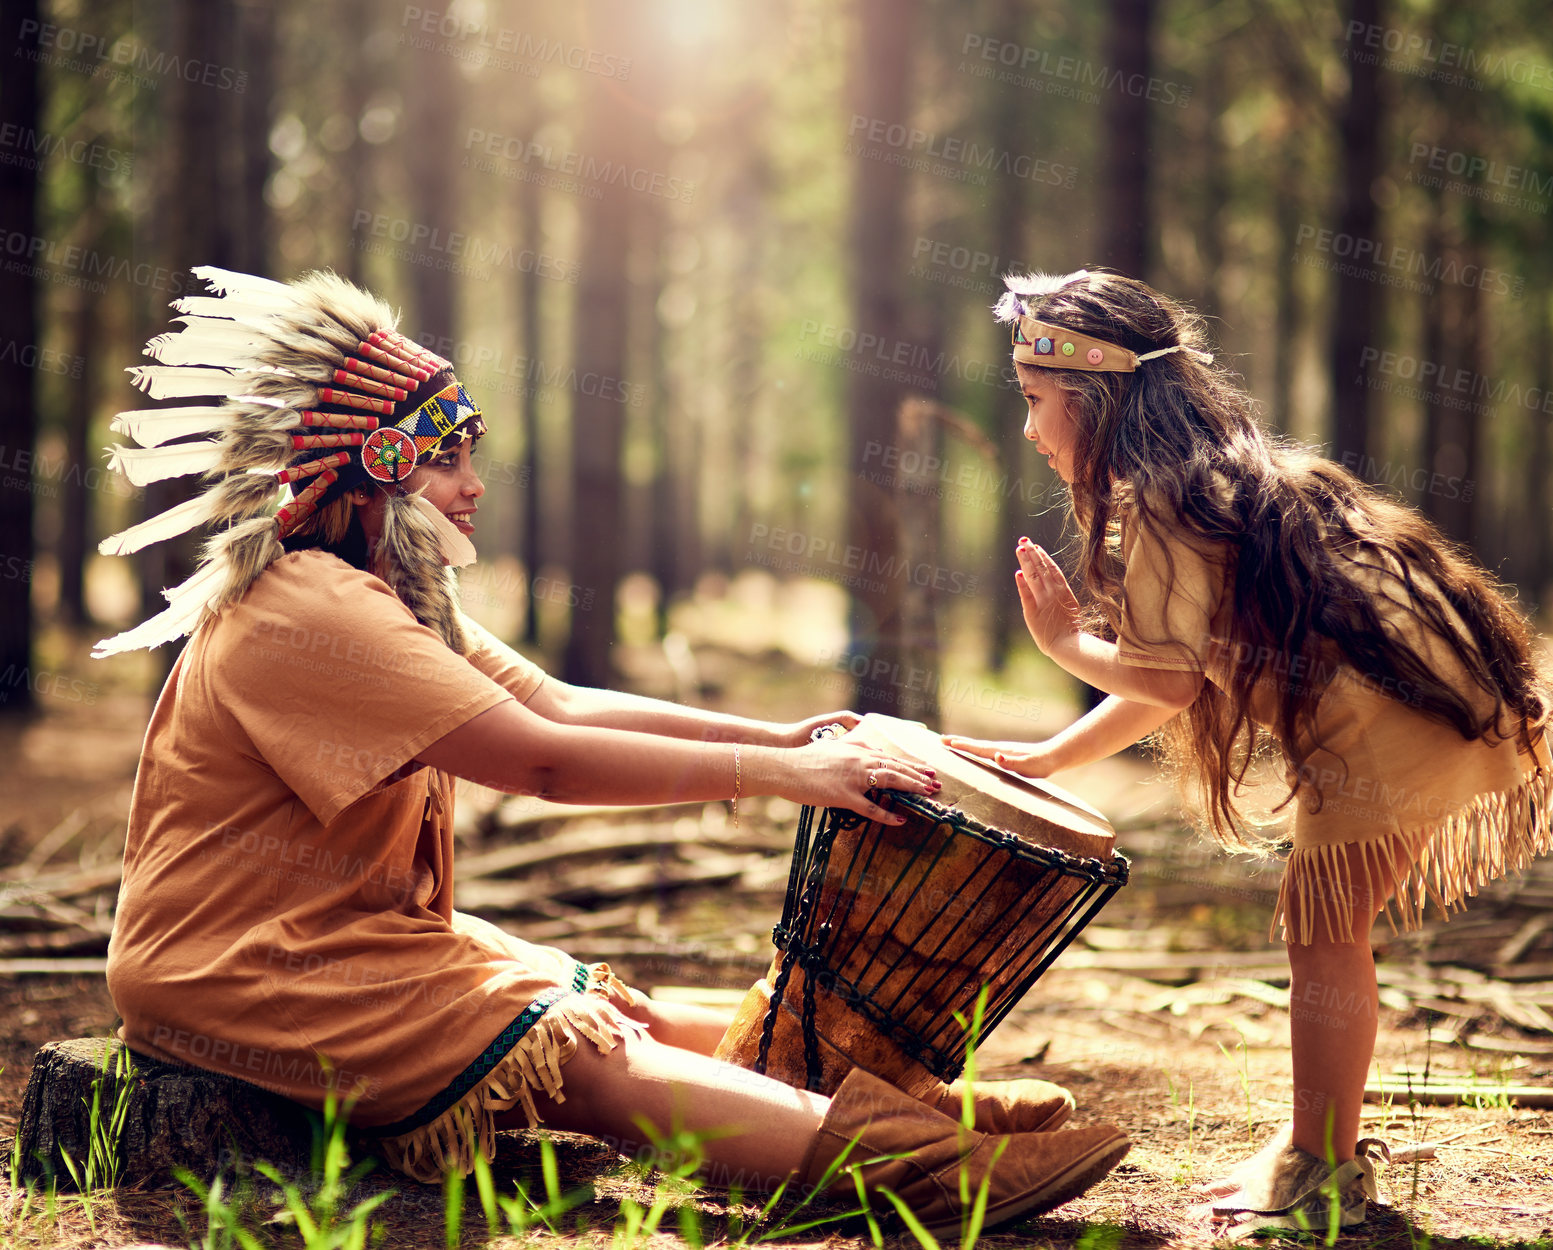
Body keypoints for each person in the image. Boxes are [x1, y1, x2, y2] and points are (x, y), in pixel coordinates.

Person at [96, 266, 1129, 1237]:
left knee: (605, 1002)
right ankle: (924, 1171)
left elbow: (558, 699)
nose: (474, 484)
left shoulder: (384, 593)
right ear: (382, 464)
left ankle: (899, 1101)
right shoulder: (309, 607)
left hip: (331, 933)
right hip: (236, 965)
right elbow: (542, 759)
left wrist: (783, 735)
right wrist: (782, 776)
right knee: (583, 1045)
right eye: (450, 455)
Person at [946, 268, 1553, 1230]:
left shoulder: (1162, 502)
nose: (1028, 429)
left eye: (1034, 401)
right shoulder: (1211, 481)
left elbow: (1165, 679)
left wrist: (1066, 647)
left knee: (1322, 936)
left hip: (1382, 717)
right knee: (1327, 934)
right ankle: (1319, 1155)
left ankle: (1323, 1177)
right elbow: (1176, 674)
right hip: (1426, 693)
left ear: (1095, 397)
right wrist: (1051, 758)